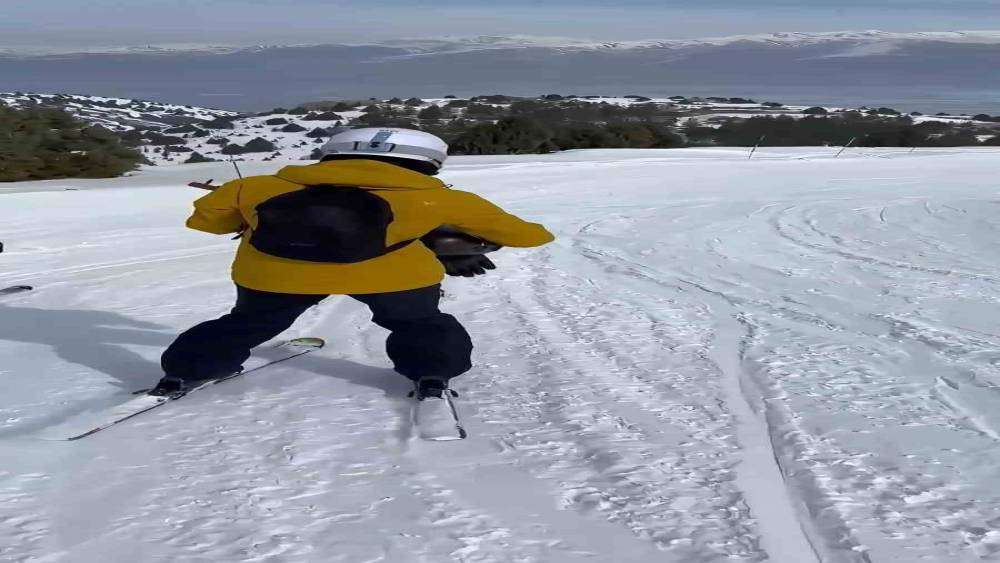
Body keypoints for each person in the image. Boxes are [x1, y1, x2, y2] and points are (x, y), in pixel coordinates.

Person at [151, 127, 554, 398]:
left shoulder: (254, 186)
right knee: (419, 324)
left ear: (329, 155)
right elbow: (529, 235)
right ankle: (432, 374)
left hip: (274, 272)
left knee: (246, 323)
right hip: (394, 277)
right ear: (430, 162)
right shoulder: (442, 198)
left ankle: (187, 370)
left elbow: (205, 223)